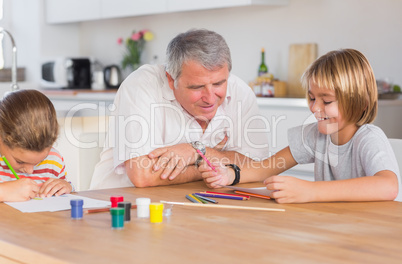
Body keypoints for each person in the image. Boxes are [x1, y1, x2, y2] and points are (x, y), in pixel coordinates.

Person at [199, 48, 401, 203]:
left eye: (327, 101)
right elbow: (266, 168)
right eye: (312, 98)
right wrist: (230, 175)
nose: (315, 108)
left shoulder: (369, 138)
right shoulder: (316, 135)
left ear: (360, 102)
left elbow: (388, 186)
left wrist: (311, 191)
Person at [90, 28, 269, 189]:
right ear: (171, 79)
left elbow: (258, 166)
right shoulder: (141, 85)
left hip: (195, 203)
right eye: (197, 87)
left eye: (219, 83)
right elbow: (142, 176)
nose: (210, 97)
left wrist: (196, 152)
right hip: (118, 206)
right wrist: (214, 167)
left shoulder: (240, 90)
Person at [0, 89, 73, 202]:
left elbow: (66, 198)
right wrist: (3, 192)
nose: (30, 171)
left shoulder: (53, 159)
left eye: (40, 161)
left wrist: (67, 187)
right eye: (20, 161)